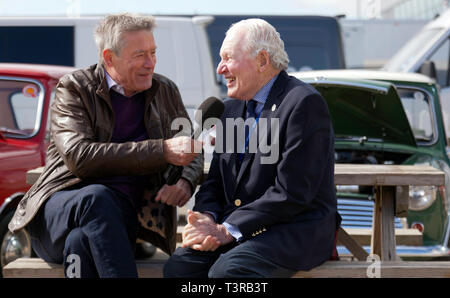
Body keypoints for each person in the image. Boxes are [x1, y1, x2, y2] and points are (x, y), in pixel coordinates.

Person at [8, 13, 204, 278]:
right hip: (59, 213)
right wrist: (162, 150)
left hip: (119, 220)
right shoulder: (75, 88)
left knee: (80, 242)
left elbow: (190, 147)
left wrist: (185, 182)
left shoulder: (165, 90)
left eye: (153, 53)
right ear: (109, 57)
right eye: (140, 55)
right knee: (96, 198)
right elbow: (80, 157)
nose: (151, 63)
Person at [163, 18, 338, 278]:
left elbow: (292, 193)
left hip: (293, 229)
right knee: (180, 268)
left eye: (228, 58)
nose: (220, 68)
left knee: (228, 273)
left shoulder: (304, 103)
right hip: (239, 227)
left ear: (262, 60)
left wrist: (227, 229)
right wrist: (208, 218)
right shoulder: (230, 108)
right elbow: (215, 182)